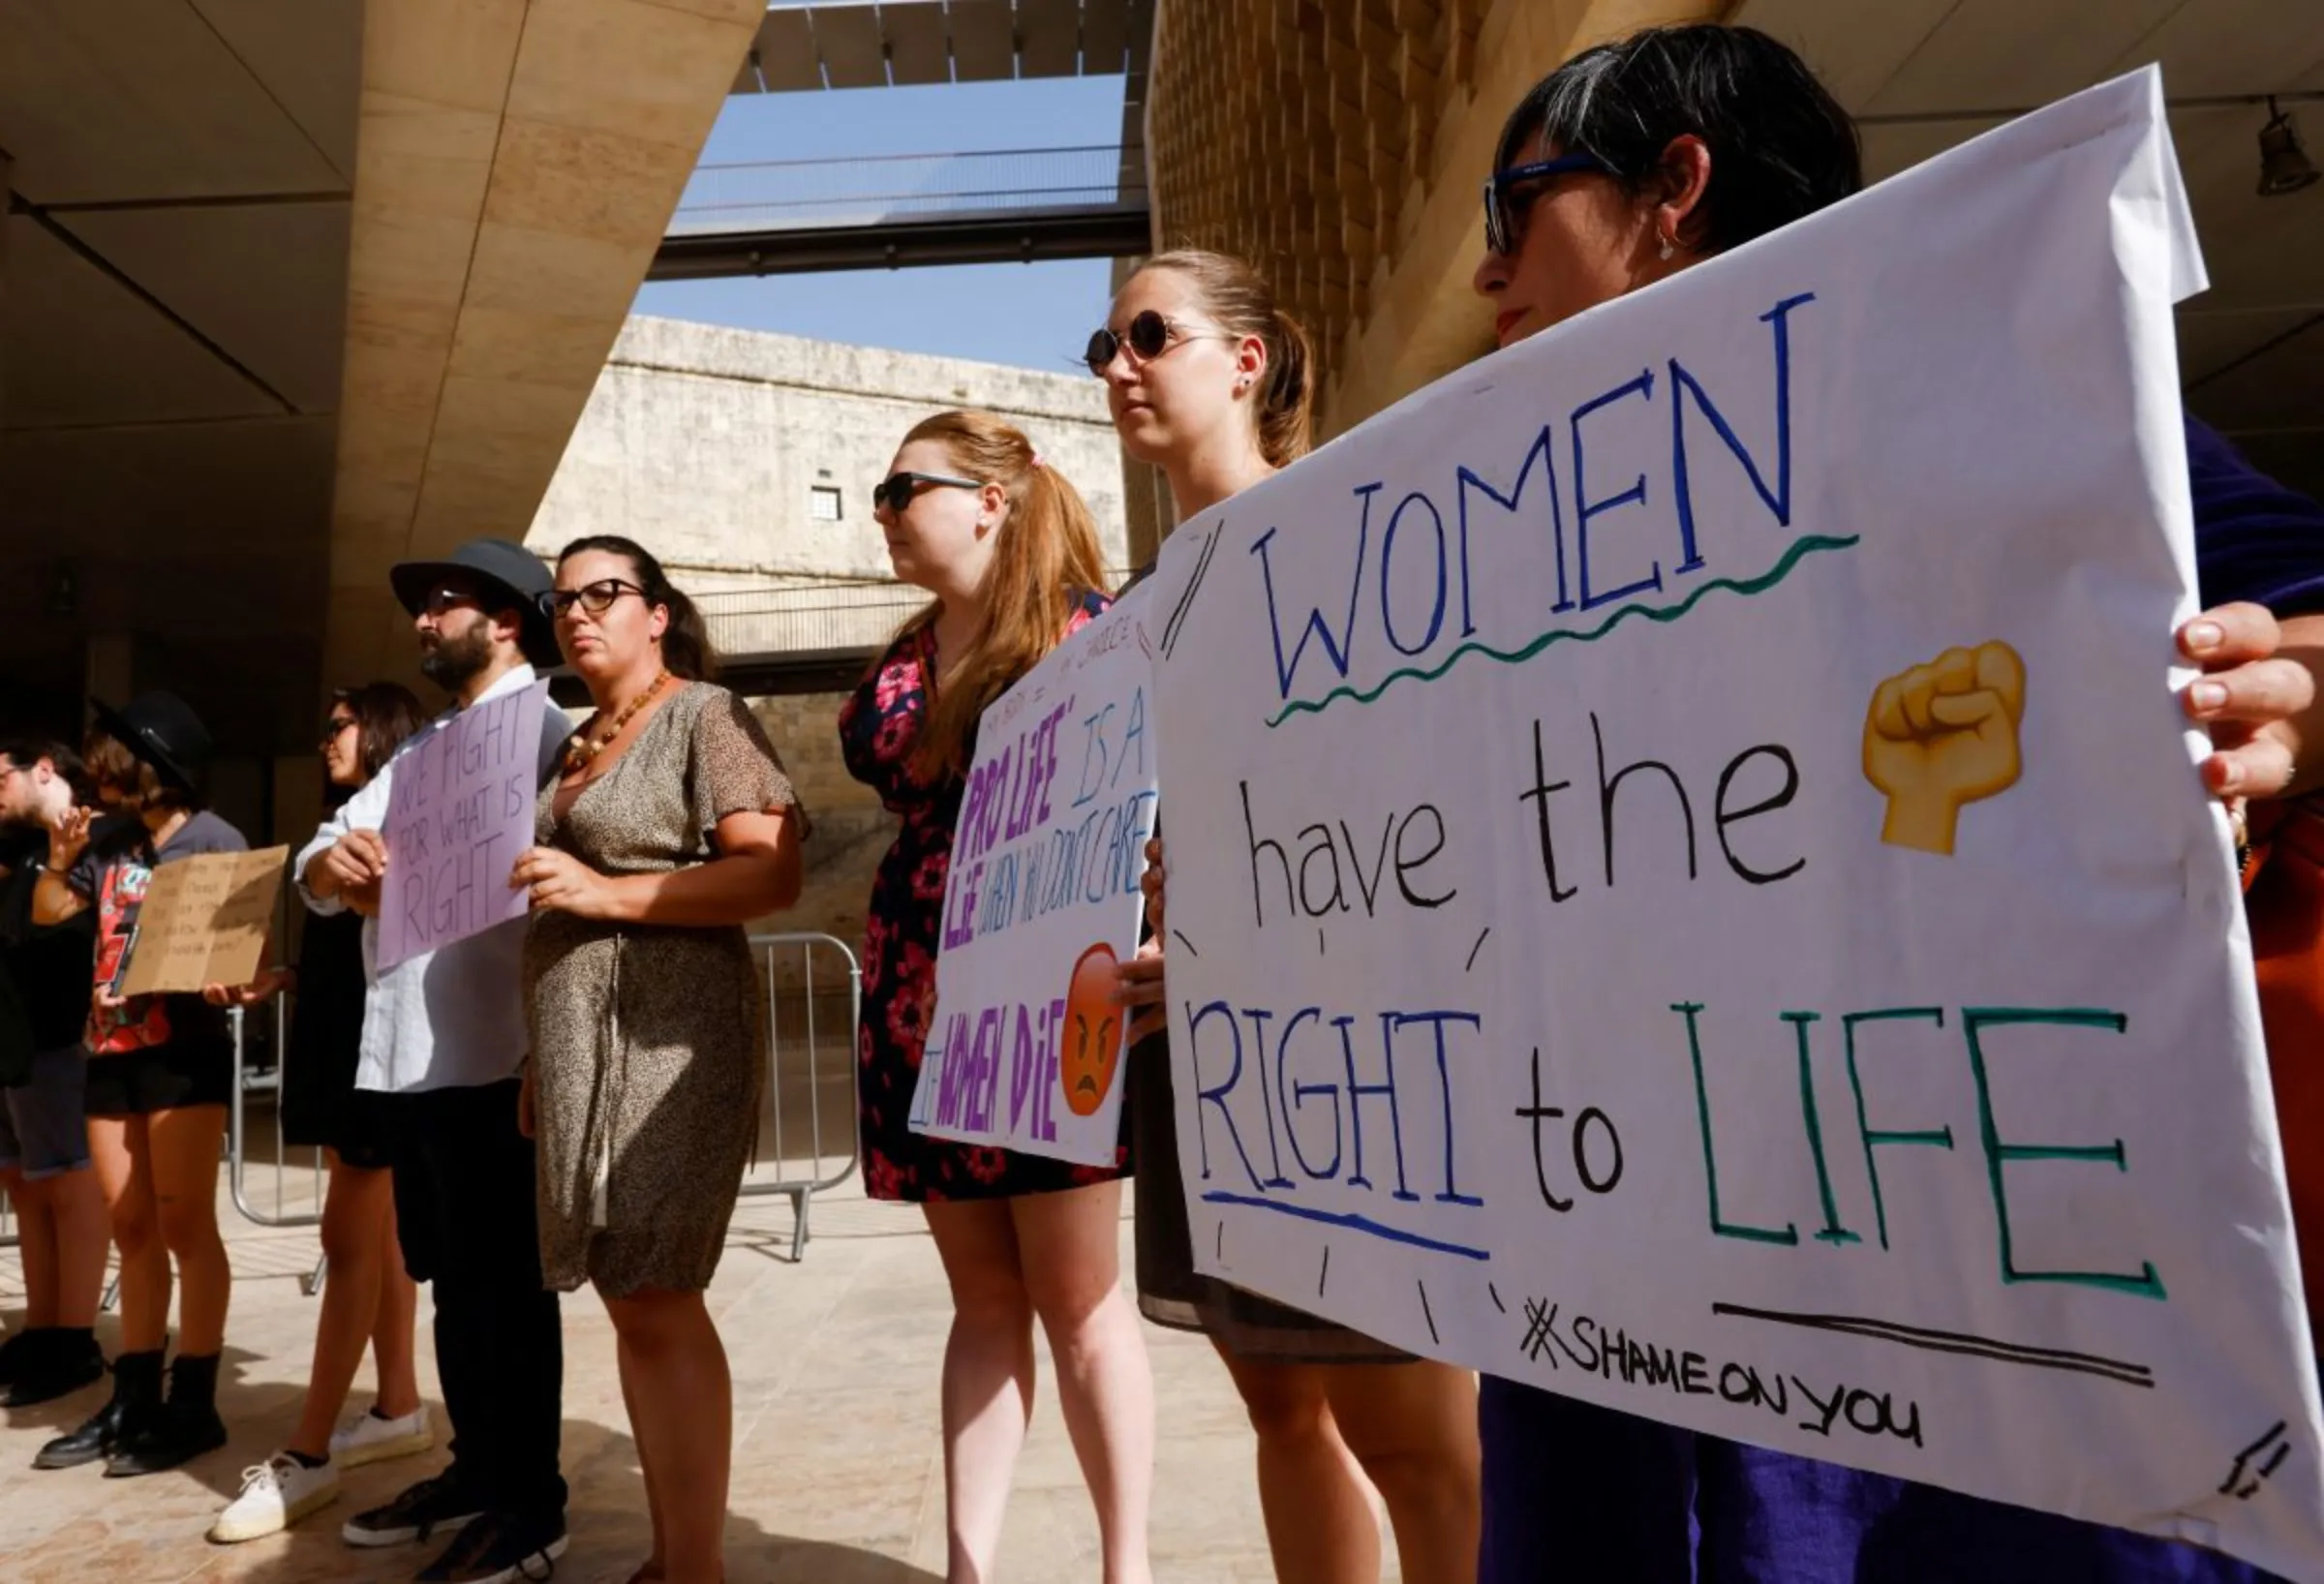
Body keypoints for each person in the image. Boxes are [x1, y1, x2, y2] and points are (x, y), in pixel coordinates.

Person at [1463, 22, 2324, 1583]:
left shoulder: (2004, 417)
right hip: (1615, 1300)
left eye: (1511, 208)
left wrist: (2295, 693)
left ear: (1675, 187)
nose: (1481, 275)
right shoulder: (1485, 553)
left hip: (1937, 1351)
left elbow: (2302, 614)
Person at [1097, 250, 1483, 1584]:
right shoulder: (1144, 607)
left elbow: (1414, 802)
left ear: (1247, 360)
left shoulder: (1344, 530)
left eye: (1150, 333)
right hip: (1201, 1042)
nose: (1118, 366)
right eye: (1103, 346)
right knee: (1275, 1401)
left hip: (1355, 1044)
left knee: (1418, 1442)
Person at [839, 411, 1155, 1584]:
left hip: (1043, 986)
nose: (881, 507)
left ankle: (1128, 1569)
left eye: (900, 486)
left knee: (1078, 1298)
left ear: (990, 499)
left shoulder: (1086, 634)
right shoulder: (909, 651)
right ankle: (972, 1568)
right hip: (926, 996)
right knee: (982, 1301)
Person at [510, 534, 807, 1584]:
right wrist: (545, 1063)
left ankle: (698, 1567)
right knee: (621, 1290)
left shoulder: (706, 715)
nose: (579, 613)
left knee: (657, 1285)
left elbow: (772, 876)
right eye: (562, 600)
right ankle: (676, 1552)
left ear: (658, 613)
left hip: (671, 1033)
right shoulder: (579, 740)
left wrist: (607, 895)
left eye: (605, 593)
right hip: (580, 1041)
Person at [296, 538, 573, 1583]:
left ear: (506, 619)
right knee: (454, 1285)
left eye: (443, 603)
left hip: (496, 1049)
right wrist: (339, 860)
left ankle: (530, 1503)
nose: (422, 621)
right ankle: (477, 1467)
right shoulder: (418, 756)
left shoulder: (551, 732)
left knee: (508, 1290)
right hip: (413, 1058)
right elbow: (316, 859)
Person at [209, 682, 431, 1543]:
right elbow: (345, 948)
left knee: (351, 1243)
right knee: (379, 1244)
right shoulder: (344, 826)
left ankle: (308, 1454)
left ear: (380, 730)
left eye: (337, 725)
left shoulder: (393, 823)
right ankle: (400, 1405)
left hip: (376, 1055)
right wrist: (285, 978)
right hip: (345, 1043)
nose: (324, 741)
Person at [30, 692, 253, 1476]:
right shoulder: (109, 840)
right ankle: (133, 1395)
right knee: (130, 1227)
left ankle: (193, 1400)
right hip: (110, 1051)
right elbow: (50, 911)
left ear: (159, 764)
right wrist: (61, 854)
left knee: (186, 1223)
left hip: (180, 1051)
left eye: (114, 752)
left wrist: (226, 980)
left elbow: (231, 953)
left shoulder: (216, 841)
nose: (100, 766)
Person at [0, 740, 107, 1409]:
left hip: (62, 1040)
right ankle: (44, 1327)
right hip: (16, 1042)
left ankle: (75, 1337)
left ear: (44, 768)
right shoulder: (24, 849)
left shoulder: (98, 842)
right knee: (27, 1187)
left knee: (68, 1186)